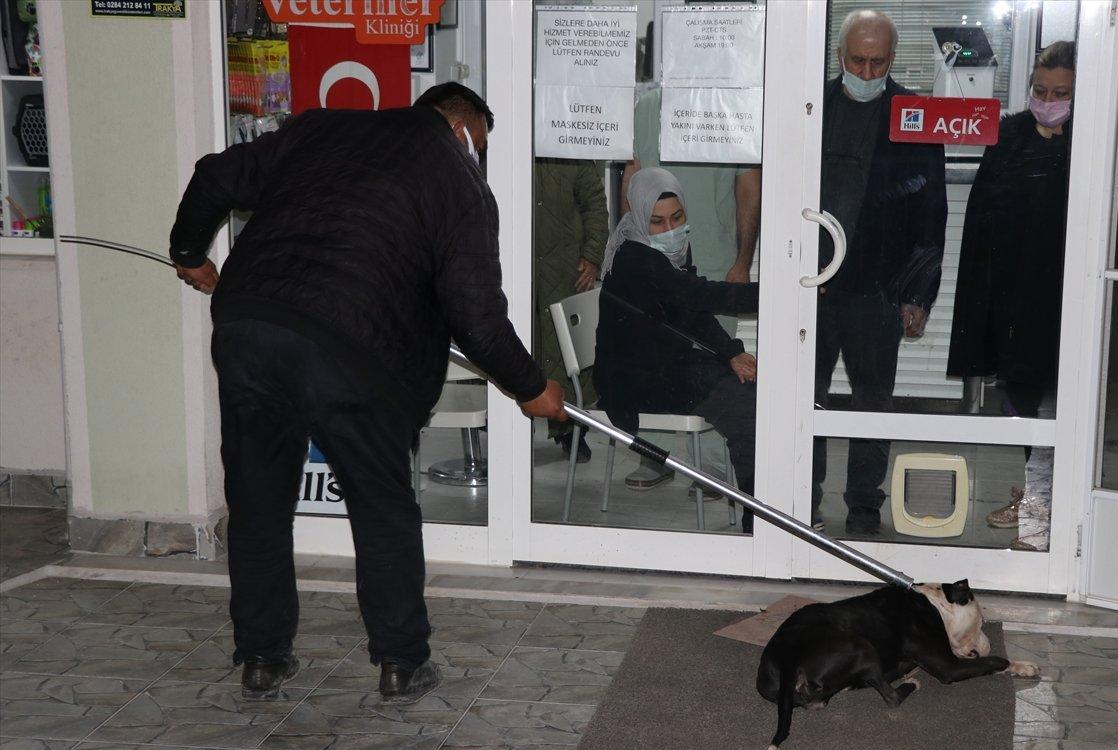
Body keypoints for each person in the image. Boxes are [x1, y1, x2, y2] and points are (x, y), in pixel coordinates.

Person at [168, 83, 567, 702]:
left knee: (256, 501)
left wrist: (190, 253)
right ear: (462, 130)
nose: (477, 158)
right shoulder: (459, 181)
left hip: (251, 329)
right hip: (355, 353)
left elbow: (215, 175)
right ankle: (402, 661)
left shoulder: (322, 128)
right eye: (479, 146)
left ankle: (263, 656)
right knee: (382, 508)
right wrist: (531, 387)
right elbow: (476, 316)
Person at [947, 41, 1118, 551]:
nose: (1048, 100)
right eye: (1041, 90)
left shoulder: (1103, 137)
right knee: (1019, 397)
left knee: (1070, 400)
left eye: (1061, 93)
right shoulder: (1010, 134)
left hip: (1073, 296)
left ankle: (1047, 509)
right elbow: (981, 219)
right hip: (1015, 298)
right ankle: (1040, 493)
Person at [813, 10, 947, 537]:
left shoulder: (912, 114)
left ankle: (865, 501)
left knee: (873, 397)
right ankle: (803, 493)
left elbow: (931, 213)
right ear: (838, 57)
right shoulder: (811, 107)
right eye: (857, 61)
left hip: (880, 288)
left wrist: (919, 293)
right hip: (813, 284)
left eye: (878, 63)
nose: (867, 74)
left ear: (892, 60)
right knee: (810, 396)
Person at [595, 167, 759, 532]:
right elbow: (701, 296)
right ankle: (760, 521)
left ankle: (765, 510)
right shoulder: (635, 257)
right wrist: (775, 289)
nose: (669, 229)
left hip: (664, 363)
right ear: (637, 217)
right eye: (656, 221)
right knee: (747, 411)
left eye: (677, 217)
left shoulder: (670, 251)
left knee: (748, 394)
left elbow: (694, 313)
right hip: (633, 379)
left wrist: (731, 351)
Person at [618, 87, 763, 492]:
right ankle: (655, 453)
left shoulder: (734, 104)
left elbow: (748, 187)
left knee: (717, 364)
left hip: (714, 259)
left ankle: (713, 466)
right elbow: (633, 179)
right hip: (653, 262)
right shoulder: (647, 108)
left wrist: (742, 260)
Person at [534, 158, 609, 462]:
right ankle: (501, 426)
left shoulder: (567, 143)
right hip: (513, 263)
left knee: (566, 352)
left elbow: (594, 204)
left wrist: (592, 255)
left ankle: (570, 431)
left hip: (564, 266)